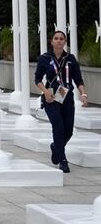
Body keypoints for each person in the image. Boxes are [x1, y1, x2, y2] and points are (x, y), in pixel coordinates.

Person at [35, 29, 89, 173]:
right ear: (52, 41)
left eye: (61, 38)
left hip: (67, 98)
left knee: (68, 131)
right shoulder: (45, 58)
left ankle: (56, 147)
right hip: (51, 98)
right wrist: (45, 91)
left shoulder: (70, 59)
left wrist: (83, 94)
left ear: (65, 42)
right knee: (58, 126)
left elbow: (78, 79)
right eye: (56, 38)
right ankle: (63, 160)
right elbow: (38, 79)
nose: (59, 41)